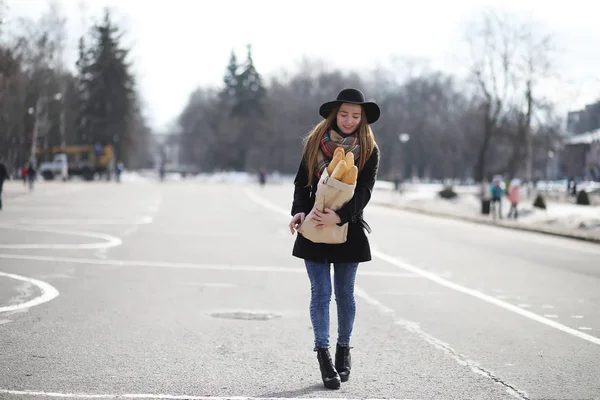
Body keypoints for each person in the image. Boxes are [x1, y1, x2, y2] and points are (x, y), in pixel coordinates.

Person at [288, 88, 380, 390]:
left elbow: (364, 191)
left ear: (362, 117)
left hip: (348, 228)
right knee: (321, 293)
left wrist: (339, 217)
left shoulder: (369, 149)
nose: (350, 120)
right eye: (344, 114)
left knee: (345, 294)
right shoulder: (315, 142)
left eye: (356, 115)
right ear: (335, 114)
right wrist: (299, 211)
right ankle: (324, 355)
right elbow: (302, 181)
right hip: (314, 223)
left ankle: (344, 349)